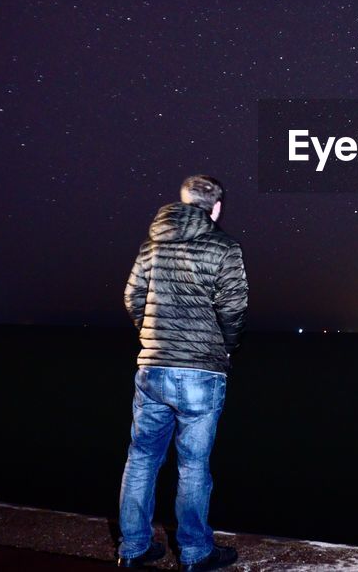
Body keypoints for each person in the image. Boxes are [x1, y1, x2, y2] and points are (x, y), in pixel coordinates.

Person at [117, 175, 249, 570]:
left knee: (141, 459)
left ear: (183, 201)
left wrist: (152, 335)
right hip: (200, 373)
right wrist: (225, 346)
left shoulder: (151, 244)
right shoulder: (225, 247)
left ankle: (133, 549)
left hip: (153, 369)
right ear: (217, 207)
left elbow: (131, 295)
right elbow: (234, 308)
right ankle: (194, 553)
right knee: (193, 465)